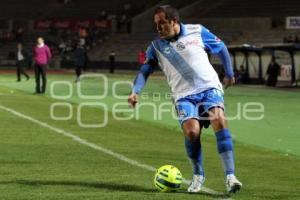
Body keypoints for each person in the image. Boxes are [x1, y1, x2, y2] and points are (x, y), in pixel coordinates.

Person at [128, 5, 242, 193]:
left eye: (162, 23)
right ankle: (198, 175)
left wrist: (229, 72)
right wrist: (136, 91)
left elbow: (220, 47)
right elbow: (145, 71)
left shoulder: (198, 31)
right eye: (156, 24)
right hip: (183, 96)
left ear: (174, 22)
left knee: (219, 121)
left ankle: (230, 176)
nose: (158, 28)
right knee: (191, 132)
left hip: (209, 88)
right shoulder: (156, 47)